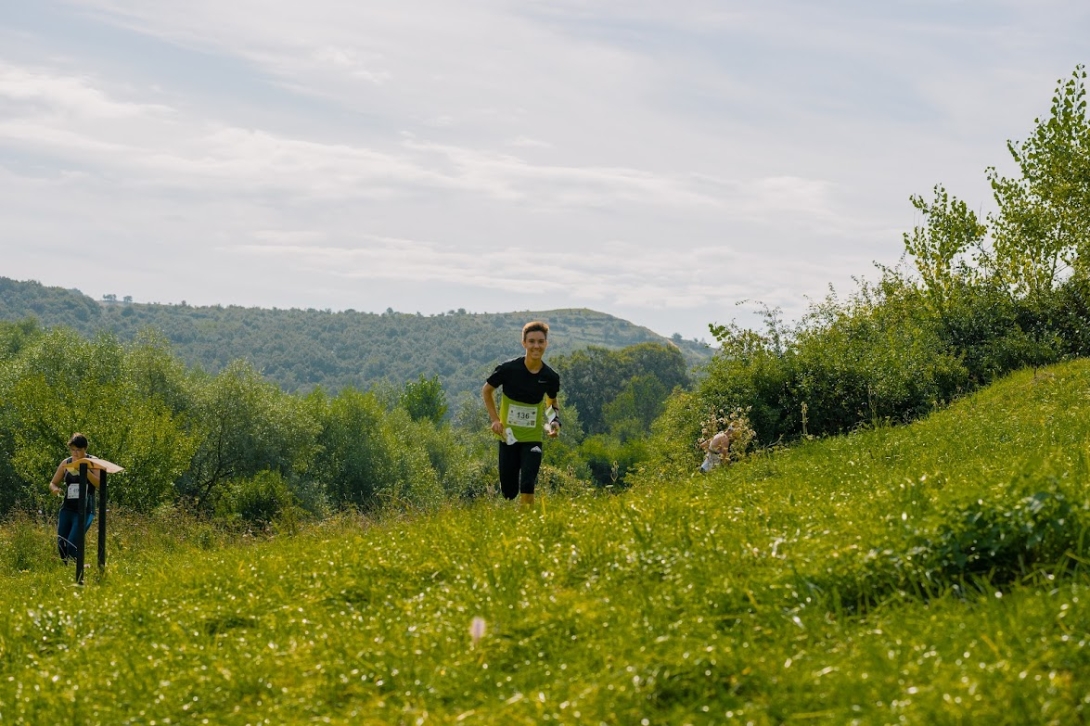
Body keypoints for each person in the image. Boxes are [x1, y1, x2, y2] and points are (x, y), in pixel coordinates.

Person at [482, 321, 561, 506]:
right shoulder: (508, 369)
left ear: (546, 344)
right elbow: (486, 391)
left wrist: (554, 421)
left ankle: (528, 528)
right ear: (523, 343)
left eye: (540, 342)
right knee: (509, 492)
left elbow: (551, 402)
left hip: (533, 438)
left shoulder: (550, 377)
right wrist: (495, 420)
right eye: (532, 341)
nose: (536, 346)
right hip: (508, 437)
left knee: (528, 483)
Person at [48, 432, 101, 563]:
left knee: (72, 543)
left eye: (78, 450)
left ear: (85, 449)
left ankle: (80, 570)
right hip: (67, 508)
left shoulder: (94, 462)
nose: (75, 453)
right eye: (72, 450)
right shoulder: (66, 463)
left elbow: (99, 484)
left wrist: (85, 470)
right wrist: (55, 489)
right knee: (62, 544)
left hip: (85, 509)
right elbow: (53, 482)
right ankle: (71, 571)